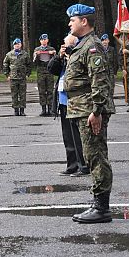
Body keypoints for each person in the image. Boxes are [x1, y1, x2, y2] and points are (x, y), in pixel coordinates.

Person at [63, 4, 115, 223]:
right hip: (81, 109)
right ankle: (98, 204)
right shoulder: (82, 45)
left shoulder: (92, 46)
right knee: (91, 156)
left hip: (90, 110)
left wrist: (97, 110)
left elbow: (100, 80)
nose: (69, 24)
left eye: (72, 20)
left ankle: (101, 208)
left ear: (84, 21)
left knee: (96, 157)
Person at [48, 35, 89, 177]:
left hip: (76, 101)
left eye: (67, 45)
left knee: (78, 136)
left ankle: (83, 165)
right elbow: (51, 69)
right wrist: (59, 56)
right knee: (68, 137)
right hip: (63, 101)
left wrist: (71, 55)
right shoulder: (63, 58)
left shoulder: (78, 56)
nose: (65, 47)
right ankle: (72, 165)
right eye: (64, 45)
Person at [3, 38, 32, 116]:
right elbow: (5, 64)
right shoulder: (9, 54)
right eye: (15, 44)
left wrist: (27, 74)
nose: (17, 45)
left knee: (22, 94)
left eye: (18, 44)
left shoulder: (25, 54)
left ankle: (22, 110)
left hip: (22, 77)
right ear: (13, 45)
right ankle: (16, 110)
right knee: (14, 94)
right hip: (13, 77)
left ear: (21, 45)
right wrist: (7, 74)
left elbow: (29, 65)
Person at [33, 33, 56, 116]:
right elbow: (35, 62)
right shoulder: (37, 49)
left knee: (50, 90)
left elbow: (55, 60)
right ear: (40, 41)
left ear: (47, 40)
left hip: (49, 71)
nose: (44, 41)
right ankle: (43, 109)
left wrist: (53, 54)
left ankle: (50, 109)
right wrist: (37, 55)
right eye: (42, 40)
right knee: (42, 91)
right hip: (41, 72)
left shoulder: (51, 49)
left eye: (45, 39)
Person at [100, 34, 119, 103]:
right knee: (103, 89)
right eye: (103, 41)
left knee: (111, 89)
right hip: (102, 72)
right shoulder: (99, 50)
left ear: (108, 41)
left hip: (111, 72)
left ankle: (110, 103)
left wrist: (115, 72)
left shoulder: (112, 49)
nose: (104, 42)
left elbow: (115, 61)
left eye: (106, 40)